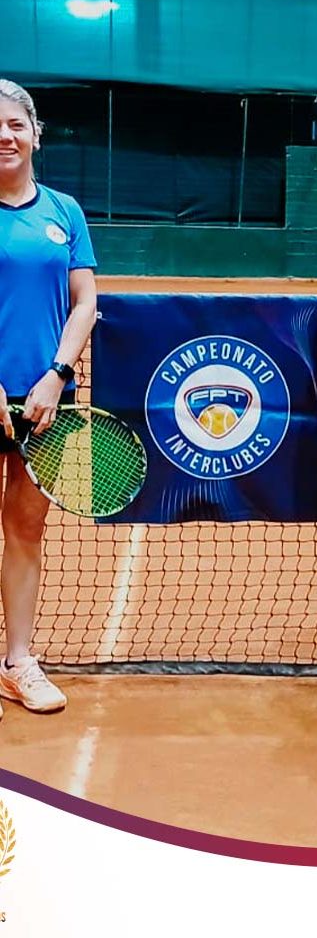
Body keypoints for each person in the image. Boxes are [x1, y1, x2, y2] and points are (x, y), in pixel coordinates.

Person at [0, 79, 97, 715]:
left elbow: (85, 301)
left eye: (15, 125)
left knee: (26, 526)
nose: (4, 136)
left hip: (45, 400)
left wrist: (57, 375)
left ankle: (18, 661)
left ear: (35, 134)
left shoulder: (64, 211)